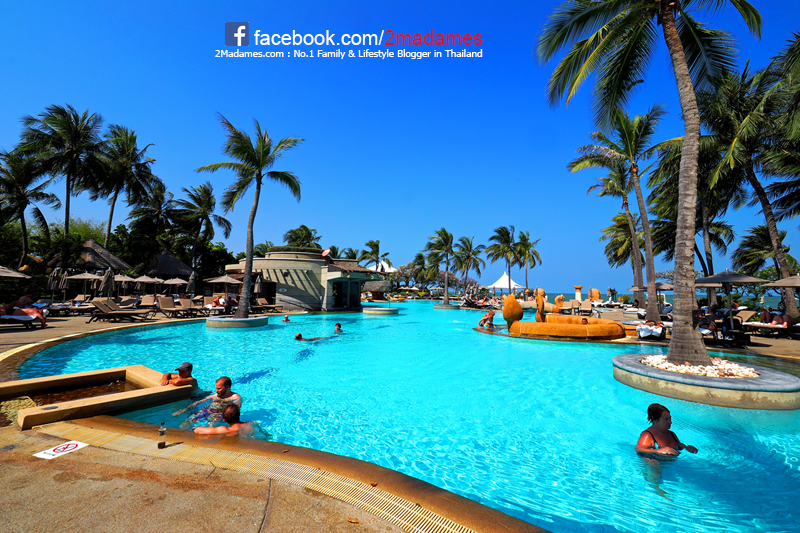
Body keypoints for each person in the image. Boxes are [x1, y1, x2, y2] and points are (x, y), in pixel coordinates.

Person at [174, 376, 241, 416]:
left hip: (219, 414)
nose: (216, 391)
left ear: (227, 387)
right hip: (207, 410)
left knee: (211, 425)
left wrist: (219, 414)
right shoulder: (215, 396)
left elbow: (235, 413)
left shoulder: (236, 398)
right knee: (188, 421)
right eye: (216, 388)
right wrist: (184, 410)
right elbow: (198, 402)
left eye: (219, 388)